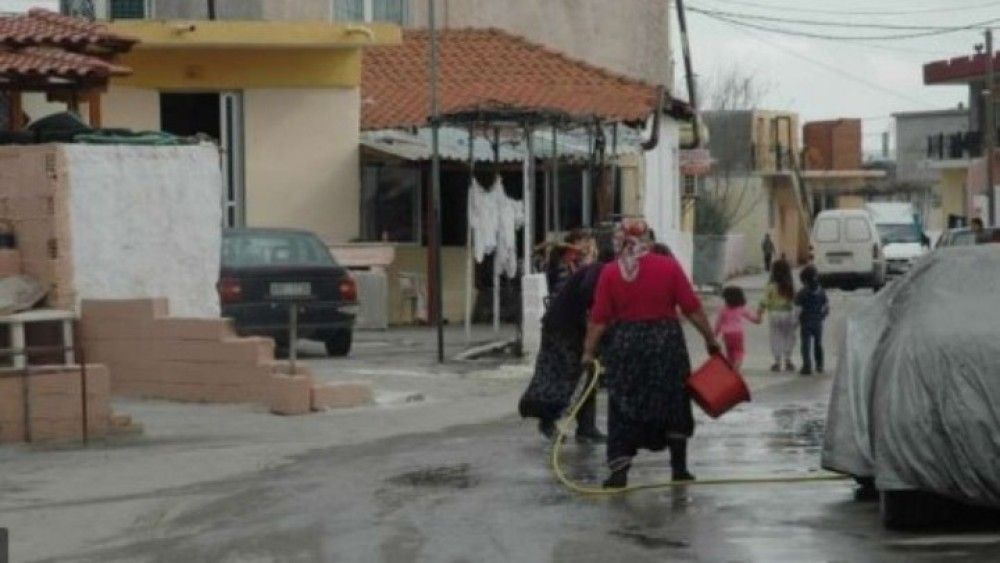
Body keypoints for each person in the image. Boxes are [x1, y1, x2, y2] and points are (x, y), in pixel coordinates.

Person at [582, 219, 720, 488]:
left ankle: (620, 471)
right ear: (648, 239)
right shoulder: (668, 266)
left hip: (625, 347)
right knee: (673, 401)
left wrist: (588, 352)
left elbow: (599, 319)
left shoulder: (610, 272)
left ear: (619, 241)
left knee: (623, 405)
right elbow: (692, 307)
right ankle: (679, 468)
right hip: (665, 344)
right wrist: (710, 339)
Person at [519, 237, 615, 444]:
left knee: (590, 374)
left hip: (576, 329)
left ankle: (586, 427)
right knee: (562, 375)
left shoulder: (603, 273)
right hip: (561, 328)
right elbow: (589, 303)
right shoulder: (599, 272)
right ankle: (547, 421)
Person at [759, 258, 797, 372]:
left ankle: (777, 362)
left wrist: (759, 313)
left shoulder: (770, 286)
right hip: (788, 313)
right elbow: (795, 300)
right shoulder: (790, 286)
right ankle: (788, 360)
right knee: (789, 337)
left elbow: (764, 300)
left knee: (775, 337)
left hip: (774, 314)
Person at [715, 286, 761, 370]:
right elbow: (755, 320)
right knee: (739, 352)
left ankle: (730, 369)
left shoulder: (723, 310)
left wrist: (714, 335)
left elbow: (718, 324)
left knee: (730, 353)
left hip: (726, 334)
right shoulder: (741, 309)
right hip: (738, 333)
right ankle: (735, 370)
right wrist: (759, 313)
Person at [795, 265, 829, 375]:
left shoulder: (802, 293)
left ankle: (807, 366)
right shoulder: (821, 291)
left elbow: (798, 309)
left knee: (805, 344)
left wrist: (795, 321)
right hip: (818, 322)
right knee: (818, 343)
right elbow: (826, 306)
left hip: (805, 322)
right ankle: (819, 365)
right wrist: (823, 315)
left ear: (804, 280)